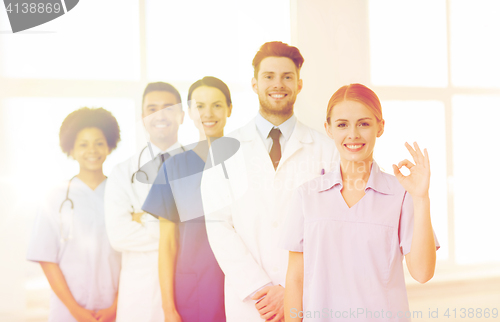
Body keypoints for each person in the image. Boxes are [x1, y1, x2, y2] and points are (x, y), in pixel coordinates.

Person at [199, 42, 339, 322]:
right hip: (253, 304)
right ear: (254, 83)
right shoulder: (224, 150)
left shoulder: (327, 149)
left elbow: (335, 227)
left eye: (287, 76)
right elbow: (219, 227)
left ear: (299, 84)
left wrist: (290, 291)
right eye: (269, 76)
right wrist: (262, 289)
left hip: (308, 297)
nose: (279, 84)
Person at [281, 84, 440, 322]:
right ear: (329, 129)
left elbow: (423, 273)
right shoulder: (307, 196)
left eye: (364, 123)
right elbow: (295, 278)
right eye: (342, 124)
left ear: (380, 127)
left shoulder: (402, 194)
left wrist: (421, 198)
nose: (353, 134)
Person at [142, 76, 230, 322]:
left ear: (230, 109)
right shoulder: (173, 168)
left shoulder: (245, 163)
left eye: (217, 105)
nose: (208, 113)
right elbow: (167, 244)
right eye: (199, 106)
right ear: (189, 112)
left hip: (240, 284)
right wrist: (168, 309)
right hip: (192, 291)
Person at [27, 107, 122, 322]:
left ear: (109, 146)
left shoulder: (121, 194)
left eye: (99, 142)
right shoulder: (54, 197)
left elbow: (130, 255)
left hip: (115, 309)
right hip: (68, 311)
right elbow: (46, 258)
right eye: (83, 144)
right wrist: (76, 311)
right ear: (71, 149)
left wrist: (115, 307)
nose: (92, 150)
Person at [104, 82, 185, 322]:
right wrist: (174, 226)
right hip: (140, 293)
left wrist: (143, 217)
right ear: (143, 117)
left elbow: (205, 231)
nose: (160, 115)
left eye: (168, 108)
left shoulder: (200, 167)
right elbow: (119, 235)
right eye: (152, 109)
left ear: (181, 115)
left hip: (188, 281)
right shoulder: (122, 172)